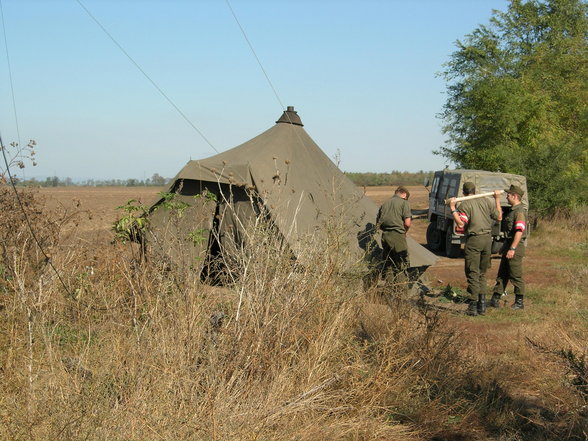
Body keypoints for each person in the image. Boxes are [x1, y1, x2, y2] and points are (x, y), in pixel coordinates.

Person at [449, 182, 502, 316]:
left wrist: (452, 208)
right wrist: (497, 199)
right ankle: (482, 305)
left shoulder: (465, 205)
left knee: (473, 272)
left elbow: (461, 223)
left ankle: (472, 306)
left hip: (474, 240)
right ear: (475, 190)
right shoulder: (486, 201)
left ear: (464, 192)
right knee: (482, 273)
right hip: (487, 239)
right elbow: (499, 217)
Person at [490, 184, 528, 310]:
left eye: (509, 194)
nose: (506, 196)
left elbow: (519, 231)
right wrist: (505, 247)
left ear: (515, 196)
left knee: (515, 275)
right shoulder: (512, 210)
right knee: (502, 274)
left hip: (515, 247)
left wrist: (512, 248)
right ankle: (495, 299)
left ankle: (519, 302)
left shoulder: (519, 211)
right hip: (509, 245)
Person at [377, 186, 412, 280]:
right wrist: (404, 232)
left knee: (388, 263)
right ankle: (400, 290)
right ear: (404, 195)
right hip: (397, 235)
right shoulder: (404, 203)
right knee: (402, 264)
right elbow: (407, 223)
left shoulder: (385, 203)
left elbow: (378, 223)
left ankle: (387, 287)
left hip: (385, 236)